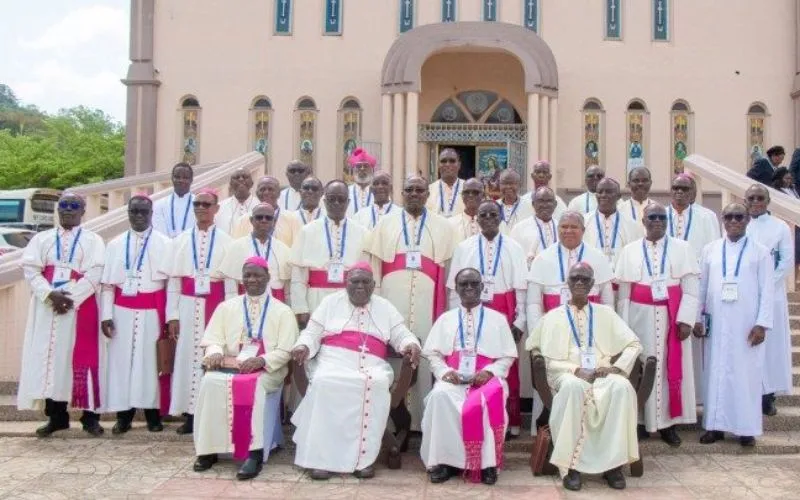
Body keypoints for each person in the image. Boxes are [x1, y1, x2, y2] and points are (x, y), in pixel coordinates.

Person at [291, 263, 421, 480]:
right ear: (346, 283)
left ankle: (363, 460)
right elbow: (312, 333)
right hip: (333, 361)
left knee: (376, 383)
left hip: (372, 364)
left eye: (365, 282)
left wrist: (411, 344)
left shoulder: (385, 307)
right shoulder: (330, 302)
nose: (360, 286)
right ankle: (320, 460)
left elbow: (401, 333)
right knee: (324, 382)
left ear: (374, 285)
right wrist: (302, 346)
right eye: (355, 281)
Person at [528, 263, 642, 492]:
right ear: (567, 283)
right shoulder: (552, 317)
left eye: (585, 279)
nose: (580, 282)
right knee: (572, 388)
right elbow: (541, 356)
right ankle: (571, 466)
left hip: (601, 373)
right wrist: (573, 369)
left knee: (621, 388)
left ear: (592, 284)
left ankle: (614, 466)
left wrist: (614, 369)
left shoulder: (606, 314)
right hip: (566, 374)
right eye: (575, 278)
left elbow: (634, 344)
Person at [192, 257, 298, 480]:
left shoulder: (282, 311)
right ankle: (208, 450)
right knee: (209, 381)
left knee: (253, 386)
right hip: (231, 366)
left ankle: (254, 453)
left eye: (257, 275)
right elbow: (213, 339)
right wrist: (214, 353)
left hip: (267, 370)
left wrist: (262, 361)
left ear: (268, 278)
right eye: (247, 275)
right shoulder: (226, 306)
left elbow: (287, 349)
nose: (252, 280)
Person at [366, 175, 455, 428]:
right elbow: (376, 268)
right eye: (409, 190)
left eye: (419, 190)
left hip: (428, 303)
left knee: (426, 357)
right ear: (401, 194)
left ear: (428, 195)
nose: (414, 194)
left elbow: (447, 270)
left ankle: (419, 421)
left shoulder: (443, 226)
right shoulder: (385, 224)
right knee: (392, 356)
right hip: (393, 300)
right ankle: (393, 420)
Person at [17, 192, 106, 437]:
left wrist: (70, 299)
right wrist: (50, 295)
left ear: (83, 210)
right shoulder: (42, 239)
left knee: (79, 360)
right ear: (58, 210)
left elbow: (96, 273)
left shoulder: (93, 240)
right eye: (64, 206)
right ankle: (57, 417)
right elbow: (31, 270)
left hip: (79, 308)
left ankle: (90, 418)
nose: (68, 210)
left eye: (73, 206)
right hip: (48, 308)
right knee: (51, 361)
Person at [421, 268, 518, 485]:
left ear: (482, 287)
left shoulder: (498, 319)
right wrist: (445, 372)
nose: (469, 288)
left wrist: (490, 372)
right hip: (454, 379)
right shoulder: (445, 319)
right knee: (440, 397)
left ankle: (487, 464)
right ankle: (445, 462)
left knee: (486, 402)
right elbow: (432, 354)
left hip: (487, 380)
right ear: (456, 289)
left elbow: (508, 357)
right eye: (464, 284)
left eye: (474, 284)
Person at [615, 203, 700, 446]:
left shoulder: (682, 248)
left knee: (669, 367)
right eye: (652, 217)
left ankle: (668, 424)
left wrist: (685, 320)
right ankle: (642, 420)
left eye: (662, 217)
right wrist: (623, 327)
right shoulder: (630, 250)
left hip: (671, 315)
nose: (658, 221)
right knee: (640, 367)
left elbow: (691, 289)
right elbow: (624, 294)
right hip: (639, 316)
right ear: (643, 221)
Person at [446, 200, 528, 438]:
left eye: (494, 214)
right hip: (471, 308)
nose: (489, 218)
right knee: (472, 358)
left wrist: (520, 321)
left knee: (506, 366)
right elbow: (454, 289)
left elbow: (521, 288)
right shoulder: (464, 247)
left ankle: (508, 421)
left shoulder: (514, 247)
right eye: (484, 214)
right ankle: (470, 412)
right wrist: (455, 318)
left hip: (504, 309)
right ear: (477, 219)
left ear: (501, 218)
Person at [697, 203, 774, 446]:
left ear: (748, 219)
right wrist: (698, 318)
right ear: (722, 219)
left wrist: (762, 324)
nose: (733, 221)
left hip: (746, 325)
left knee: (745, 376)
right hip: (716, 324)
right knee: (715, 374)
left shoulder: (760, 252)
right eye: (728, 216)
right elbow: (701, 287)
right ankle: (714, 427)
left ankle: (745, 429)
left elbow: (767, 291)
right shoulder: (710, 250)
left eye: (738, 216)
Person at [164, 189, 237, 434]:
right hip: (187, 304)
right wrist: (172, 315)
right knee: (187, 358)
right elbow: (174, 281)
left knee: (214, 355)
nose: (201, 208)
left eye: (206, 204)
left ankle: (212, 414)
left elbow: (230, 284)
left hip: (215, 305)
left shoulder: (228, 241)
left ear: (216, 209)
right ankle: (189, 414)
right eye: (197, 204)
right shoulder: (181, 240)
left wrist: (230, 317)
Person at [101, 194, 169, 433]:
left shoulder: (164, 243)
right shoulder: (115, 244)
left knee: (150, 363)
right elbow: (108, 285)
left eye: (144, 212)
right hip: (122, 312)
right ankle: (124, 416)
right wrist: (106, 315)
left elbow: (170, 284)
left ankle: (152, 415)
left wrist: (169, 317)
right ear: (128, 213)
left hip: (152, 311)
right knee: (122, 363)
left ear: (151, 214)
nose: (139, 216)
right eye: (134, 212)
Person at [290, 180, 368, 328]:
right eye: (332, 199)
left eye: (341, 199)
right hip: (316, 297)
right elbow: (299, 274)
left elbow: (368, 274)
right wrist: (301, 308)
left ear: (348, 202)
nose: (337, 203)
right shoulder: (308, 231)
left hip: (350, 297)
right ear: (324, 201)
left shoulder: (362, 232)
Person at [744, 185, 794, 416]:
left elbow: (785, 261)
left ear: (768, 200)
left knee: (771, 346)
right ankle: (750, 392)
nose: (755, 202)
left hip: (772, 295)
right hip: (745, 295)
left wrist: (766, 283)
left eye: (760, 198)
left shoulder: (780, 227)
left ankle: (768, 396)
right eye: (751, 198)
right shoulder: (739, 224)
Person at [526, 211, 615, 331]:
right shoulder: (542, 258)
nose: (568, 231)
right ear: (558, 229)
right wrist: (535, 334)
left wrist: (606, 330)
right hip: (553, 326)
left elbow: (607, 302)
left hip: (591, 324)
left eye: (574, 227)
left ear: (583, 230)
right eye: (564, 227)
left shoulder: (598, 257)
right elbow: (533, 303)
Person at [218, 203, 291, 302]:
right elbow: (231, 287)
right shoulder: (236, 247)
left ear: (274, 221)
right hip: (245, 301)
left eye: (268, 218)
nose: (263, 220)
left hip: (276, 302)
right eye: (259, 217)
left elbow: (287, 288)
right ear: (251, 220)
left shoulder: (284, 249)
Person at [582, 178, 642, 272]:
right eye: (600, 192)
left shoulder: (631, 225)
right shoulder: (584, 222)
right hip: (591, 279)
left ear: (618, 196)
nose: (603, 195)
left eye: (609, 192)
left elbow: (636, 255)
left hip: (621, 279)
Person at [232, 176, 300, 247]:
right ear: (257, 193)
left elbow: (297, 248)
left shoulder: (292, 219)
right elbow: (238, 247)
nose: (266, 192)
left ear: (279, 193)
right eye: (262, 189)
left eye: (270, 189)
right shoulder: (243, 220)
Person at [511, 186, 559, 264]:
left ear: (555, 204)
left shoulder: (562, 228)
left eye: (549, 201)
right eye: (541, 201)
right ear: (533, 204)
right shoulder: (519, 229)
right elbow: (514, 257)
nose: (545, 205)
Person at [152, 163, 195, 238]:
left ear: (191, 180)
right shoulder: (159, 204)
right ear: (172, 178)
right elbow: (159, 232)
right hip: (166, 247)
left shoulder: (199, 204)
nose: (181, 180)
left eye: (185, 177)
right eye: (177, 177)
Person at [215, 168, 258, 234]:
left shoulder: (260, 205)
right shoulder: (220, 207)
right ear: (230, 184)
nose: (241, 179)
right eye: (237, 177)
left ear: (252, 183)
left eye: (245, 177)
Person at [426, 148, 465, 218]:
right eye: (443, 161)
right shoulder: (428, 190)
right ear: (438, 165)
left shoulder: (468, 189)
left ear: (459, 165)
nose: (447, 164)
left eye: (452, 161)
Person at [449, 178, 488, 244]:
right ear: (462, 196)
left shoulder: (492, 222)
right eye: (466, 192)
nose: (470, 195)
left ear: (483, 196)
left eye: (475, 192)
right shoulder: (450, 224)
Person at [346, 148, 377, 216]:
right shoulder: (346, 191)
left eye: (366, 166)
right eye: (358, 166)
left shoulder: (378, 192)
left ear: (372, 171)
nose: (362, 169)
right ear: (353, 171)